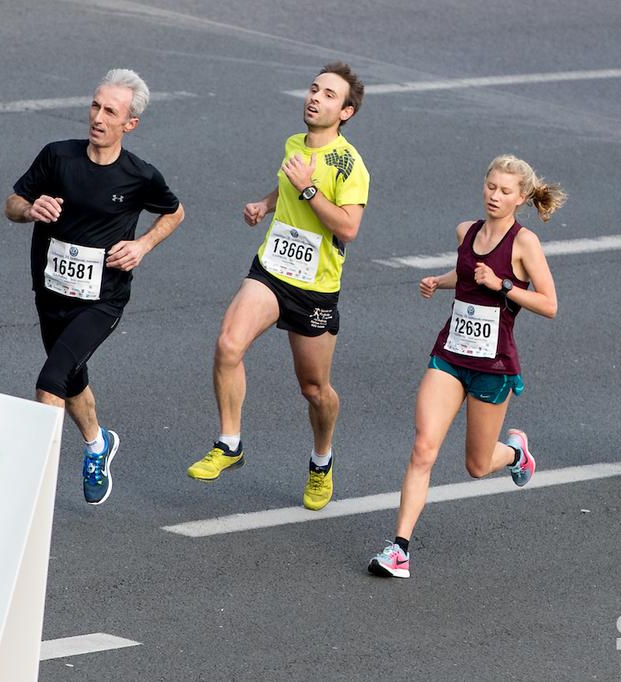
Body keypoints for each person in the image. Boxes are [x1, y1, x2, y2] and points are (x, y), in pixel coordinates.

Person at [368, 155, 564, 578]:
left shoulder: (524, 243)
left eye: (505, 191)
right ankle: (399, 549)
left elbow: (549, 304)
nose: (495, 195)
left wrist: (505, 286)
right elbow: (468, 273)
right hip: (450, 355)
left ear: (522, 197)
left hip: (494, 366)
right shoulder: (467, 231)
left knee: (476, 466)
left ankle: (514, 453)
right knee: (423, 447)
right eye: (491, 186)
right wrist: (439, 282)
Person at [185, 62, 369, 511]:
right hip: (272, 269)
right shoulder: (294, 144)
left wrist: (308, 191)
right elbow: (288, 184)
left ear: (345, 112)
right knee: (229, 345)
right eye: (313, 89)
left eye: (328, 95)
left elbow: (348, 228)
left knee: (314, 389)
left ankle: (321, 460)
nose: (315, 98)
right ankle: (230, 443)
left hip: (315, 290)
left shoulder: (350, 165)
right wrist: (265, 205)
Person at [4, 68, 184, 505]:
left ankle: (33, 494)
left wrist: (142, 245)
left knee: (50, 382)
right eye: (95, 105)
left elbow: (175, 212)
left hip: (101, 300)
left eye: (111, 111)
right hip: (50, 291)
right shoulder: (57, 157)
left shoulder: (139, 176)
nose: (98, 117)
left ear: (130, 123)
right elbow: (11, 204)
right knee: (73, 376)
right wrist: (30, 210)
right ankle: (98, 443)